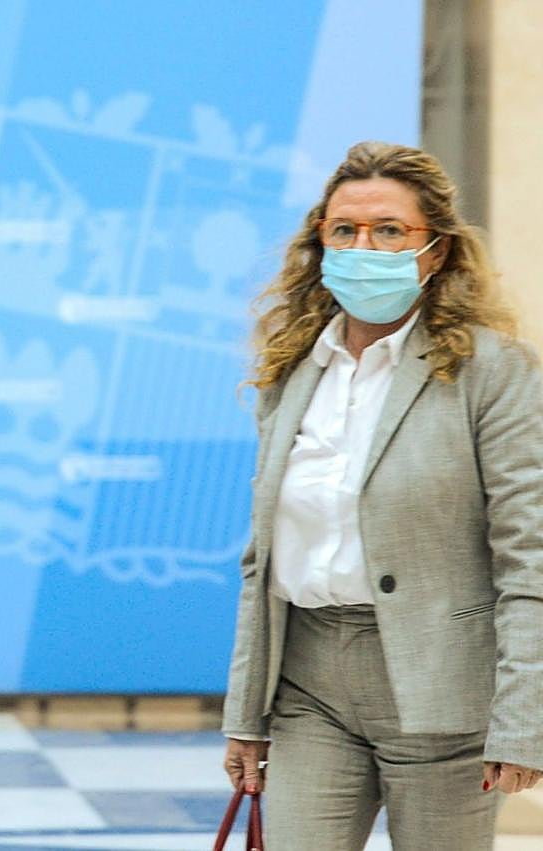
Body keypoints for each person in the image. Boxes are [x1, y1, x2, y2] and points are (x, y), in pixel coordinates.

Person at [220, 141, 543, 850]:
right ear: (320, 244)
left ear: (437, 251)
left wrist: (522, 719)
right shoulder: (292, 370)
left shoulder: (494, 372)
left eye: (389, 230)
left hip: (445, 691)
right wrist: (247, 714)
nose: (363, 246)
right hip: (309, 683)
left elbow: (530, 558)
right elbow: (262, 557)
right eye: (345, 231)